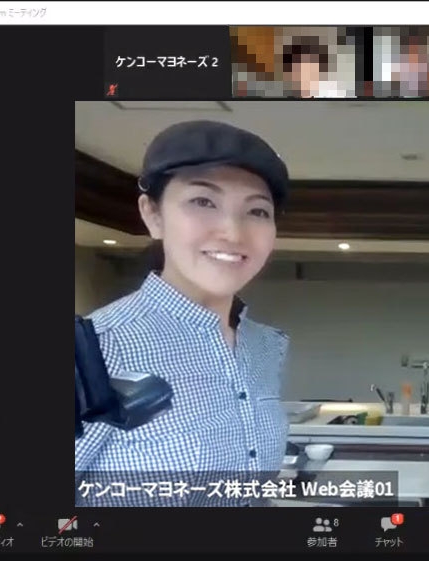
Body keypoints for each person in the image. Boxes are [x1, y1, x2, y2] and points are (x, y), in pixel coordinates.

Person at [75, 120, 292, 506]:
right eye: (203, 201)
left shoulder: (266, 346)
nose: (233, 233)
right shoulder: (95, 351)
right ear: (153, 215)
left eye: (257, 211)